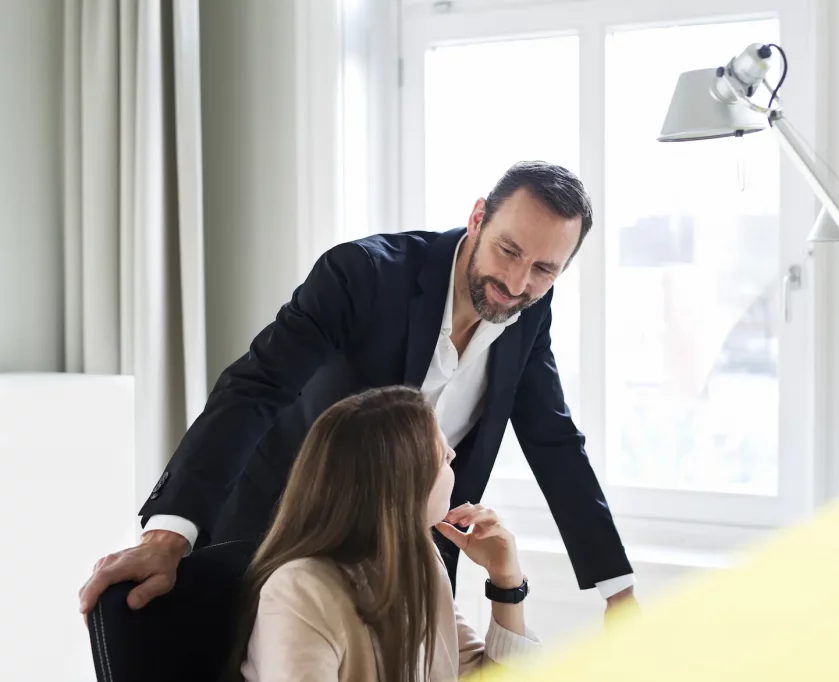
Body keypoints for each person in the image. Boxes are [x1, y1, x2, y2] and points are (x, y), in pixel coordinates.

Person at [79, 160, 636, 618]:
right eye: (508, 252)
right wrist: (170, 534)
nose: (517, 284)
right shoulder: (363, 275)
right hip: (281, 537)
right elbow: (255, 389)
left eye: (544, 269)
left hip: (405, 563)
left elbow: (554, 440)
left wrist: (619, 593)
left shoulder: (529, 310)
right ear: (476, 219)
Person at [228, 386, 539, 681]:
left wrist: (506, 583)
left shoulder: (421, 561)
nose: (453, 457)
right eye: (442, 456)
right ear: (402, 486)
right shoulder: (300, 590)